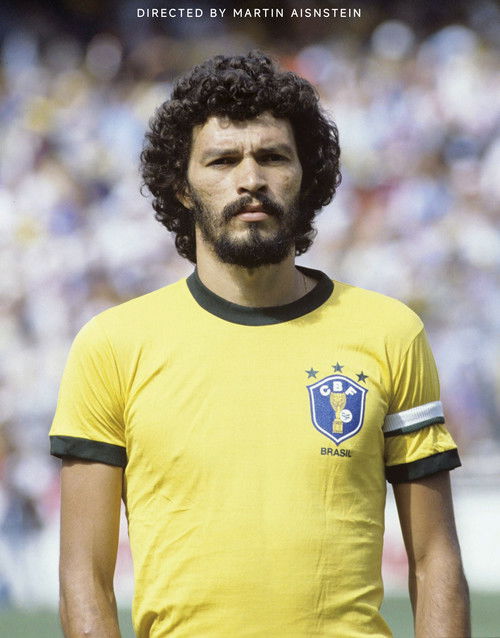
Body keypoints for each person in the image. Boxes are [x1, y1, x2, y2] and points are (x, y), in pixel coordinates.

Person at [50, 51, 470, 638]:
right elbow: (84, 578)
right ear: (182, 187)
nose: (250, 179)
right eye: (223, 160)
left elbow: (434, 559)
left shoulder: (391, 333)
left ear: (306, 174)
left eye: (273, 157)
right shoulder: (112, 346)